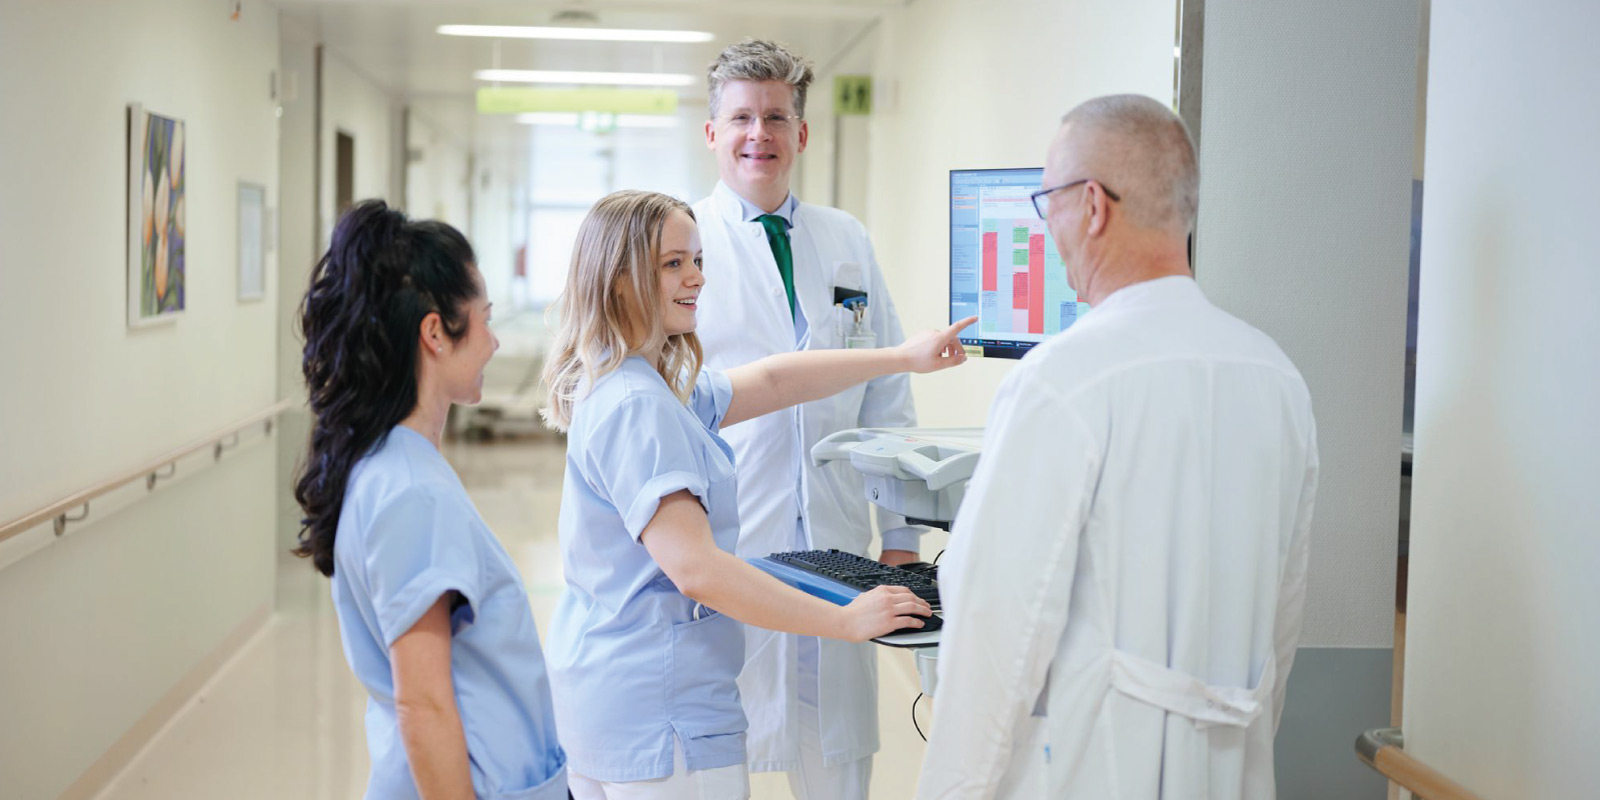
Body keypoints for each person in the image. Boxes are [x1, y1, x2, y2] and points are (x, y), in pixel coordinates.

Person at [916, 95, 1320, 799]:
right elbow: (1280, 630)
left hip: (1087, 770)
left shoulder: (1064, 379)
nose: (1050, 231)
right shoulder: (1276, 377)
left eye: (1049, 204)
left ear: (1094, 206)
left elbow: (996, 631)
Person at [539, 190, 972, 799]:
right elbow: (698, 570)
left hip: (614, 700)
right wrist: (844, 619)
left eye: (696, 260)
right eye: (672, 264)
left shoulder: (638, 382)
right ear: (618, 281)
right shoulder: (640, 405)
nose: (695, 279)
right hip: (661, 718)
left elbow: (772, 378)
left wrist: (901, 357)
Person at [690, 39, 927, 799]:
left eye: (775, 117)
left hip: (836, 546)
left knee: (836, 767)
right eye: (741, 118)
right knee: (728, 758)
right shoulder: (680, 244)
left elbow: (887, 392)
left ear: (802, 132)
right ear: (713, 133)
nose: (758, 134)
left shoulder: (845, 240)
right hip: (729, 550)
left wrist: (898, 541)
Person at [293, 200, 568, 800]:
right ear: (435, 333)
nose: (494, 341)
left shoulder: (391, 465)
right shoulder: (410, 492)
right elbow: (424, 705)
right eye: (484, 319)